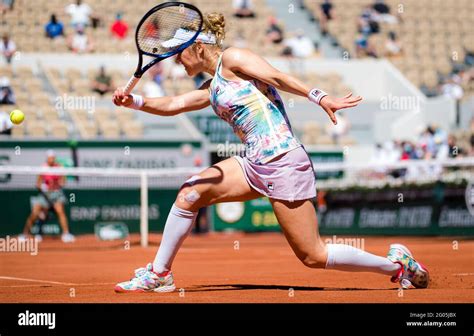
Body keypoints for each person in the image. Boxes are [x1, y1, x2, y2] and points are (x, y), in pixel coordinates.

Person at [112, 12, 429, 293]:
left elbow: (277, 76)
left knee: (312, 255)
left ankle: (397, 265)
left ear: (198, 46)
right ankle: (159, 274)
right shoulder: (213, 86)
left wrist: (320, 97)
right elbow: (174, 104)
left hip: (283, 162)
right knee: (190, 193)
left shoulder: (234, 59)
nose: (177, 61)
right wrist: (135, 102)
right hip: (253, 163)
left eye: (179, 54)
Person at [19, 150, 75, 243]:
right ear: (47, 158)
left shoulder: (59, 167)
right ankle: (25, 234)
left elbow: (63, 181)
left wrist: (60, 184)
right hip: (44, 194)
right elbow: (38, 183)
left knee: (60, 211)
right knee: (35, 213)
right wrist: (43, 187)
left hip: (57, 194)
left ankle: (66, 234)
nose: (51, 160)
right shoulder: (43, 168)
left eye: (53, 158)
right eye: (50, 158)